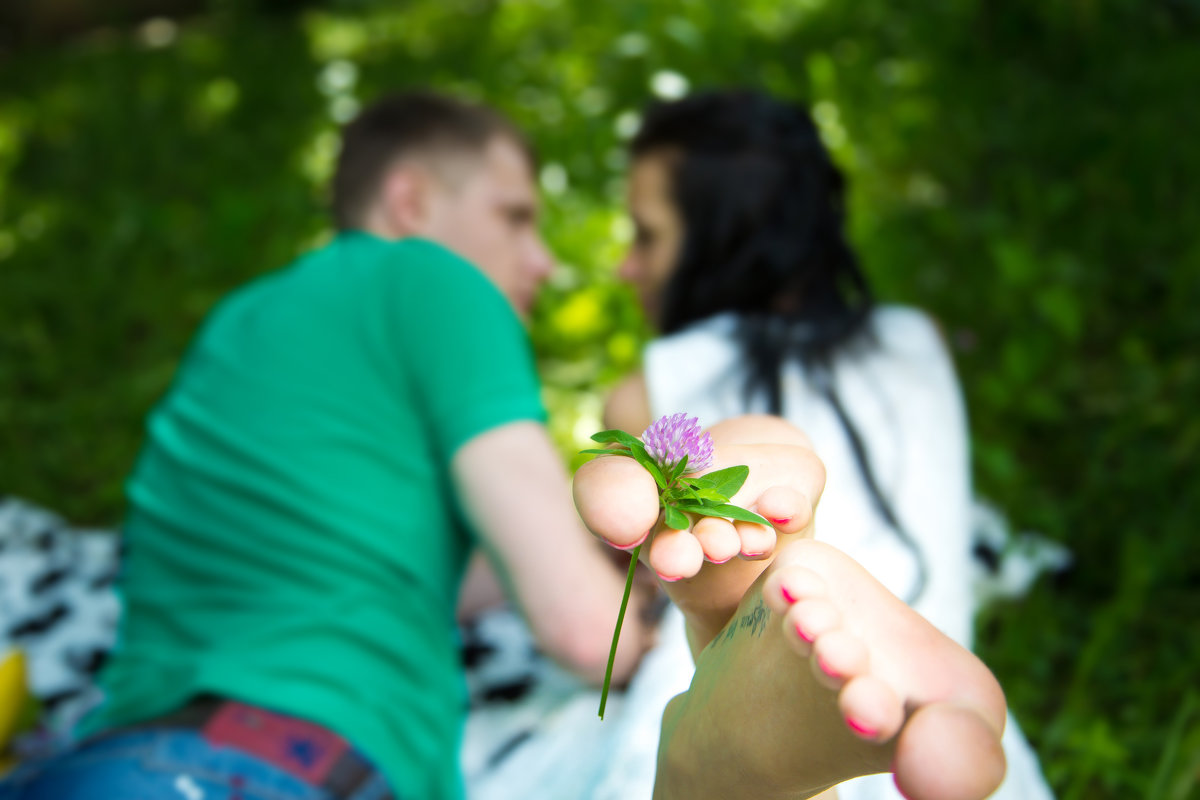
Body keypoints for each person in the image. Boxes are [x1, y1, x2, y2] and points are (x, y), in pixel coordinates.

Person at [0, 89, 1009, 800]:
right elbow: (579, 625)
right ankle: (727, 675)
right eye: (515, 216)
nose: (543, 262)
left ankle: (724, 689)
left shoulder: (240, 324)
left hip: (132, 752)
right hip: (279, 762)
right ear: (410, 205)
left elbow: (425, 565)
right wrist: (629, 585)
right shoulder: (434, 281)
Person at [606, 88, 1053, 799]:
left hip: (706, 693)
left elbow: (617, 614)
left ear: (723, 236)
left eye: (647, 234)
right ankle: (802, 662)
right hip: (930, 700)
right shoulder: (918, 342)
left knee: (677, 678)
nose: (626, 266)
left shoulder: (650, 388)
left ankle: (747, 676)